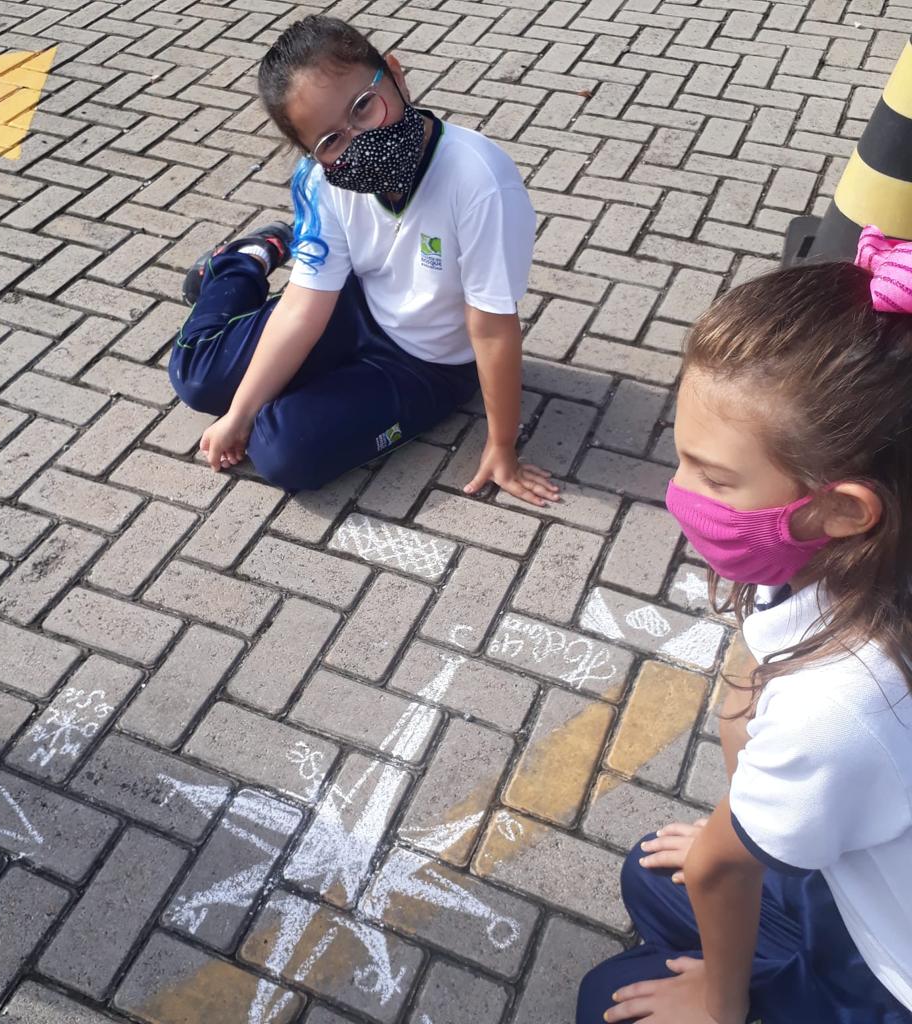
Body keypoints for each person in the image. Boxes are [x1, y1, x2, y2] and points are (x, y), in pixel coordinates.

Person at [577, 226, 912, 1024]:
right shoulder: (857, 563)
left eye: (715, 477)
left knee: (604, 999)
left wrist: (717, 1000)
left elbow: (727, 866)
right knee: (653, 873)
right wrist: (738, 834)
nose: (677, 493)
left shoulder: (843, 700)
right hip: (862, 878)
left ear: (842, 509)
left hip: (886, 974)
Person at [167, 14, 557, 505]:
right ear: (311, 153)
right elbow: (305, 306)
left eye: (363, 108)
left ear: (394, 73)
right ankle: (244, 261)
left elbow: (492, 325)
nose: (359, 140)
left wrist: (502, 447)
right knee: (197, 378)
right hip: (351, 305)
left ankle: (293, 355)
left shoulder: (479, 180)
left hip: (427, 363)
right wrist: (240, 413)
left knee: (285, 454)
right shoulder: (320, 182)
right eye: (330, 141)